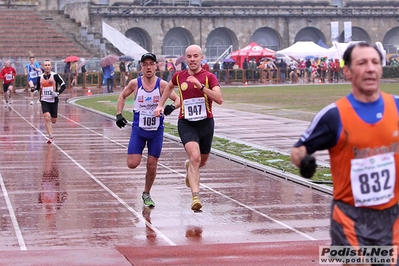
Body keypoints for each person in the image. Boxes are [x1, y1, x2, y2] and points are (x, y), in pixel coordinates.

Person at [290, 43, 399, 264]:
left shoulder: (397, 107)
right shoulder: (333, 115)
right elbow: (297, 150)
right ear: (347, 71)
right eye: (362, 63)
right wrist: (305, 162)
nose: (370, 68)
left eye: (375, 62)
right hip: (350, 218)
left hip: (393, 216)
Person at [154, 45, 223, 212]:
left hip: (206, 123)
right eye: (189, 56)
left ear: (201, 58)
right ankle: (195, 197)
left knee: (201, 161)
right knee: (195, 156)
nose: (192, 59)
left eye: (195, 56)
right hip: (186, 122)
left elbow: (219, 99)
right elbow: (168, 87)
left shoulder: (209, 77)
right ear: (185, 59)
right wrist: (160, 105)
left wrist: (200, 87)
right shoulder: (179, 76)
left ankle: (189, 168)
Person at [115, 52, 180, 208]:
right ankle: (138, 151)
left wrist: (171, 107)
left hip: (156, 131)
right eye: (145, 64)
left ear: (156, 66)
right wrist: (118, 115)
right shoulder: (135, 83)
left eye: (151, 64)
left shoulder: (162, 84)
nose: (148, 67)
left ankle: (146, 193)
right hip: (139, 129)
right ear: (141, 67)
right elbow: (122, 96)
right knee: (132, 163)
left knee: (152, 165)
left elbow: (178, 99)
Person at [35, 59, 66, 144]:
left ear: (51, 66)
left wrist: (57, 93)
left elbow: (64, 85)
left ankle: (51, 132)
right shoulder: (40, 77)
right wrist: (35, 90)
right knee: (47, 117)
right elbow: (38, 87)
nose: (47, 67)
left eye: (49, 65)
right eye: (45, 65)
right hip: (44, 100)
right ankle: (50, 136)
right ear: (43, 67)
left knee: (53, 120)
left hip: (53, 101)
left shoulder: (55, 76)